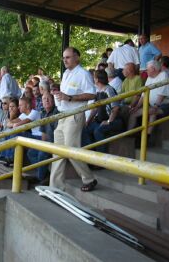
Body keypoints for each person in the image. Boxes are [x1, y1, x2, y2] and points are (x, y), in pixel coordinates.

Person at [51, 47, 97, 192]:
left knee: (71, 149)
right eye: (64, 57)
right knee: (57, 152)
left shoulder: (83, 74)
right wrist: (59, 95)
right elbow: (66, 94)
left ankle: (89, 178)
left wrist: (70, 97)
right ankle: (55, 186)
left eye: (68, 57)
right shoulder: (65, 73)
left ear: (77, 57)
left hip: (75, 114)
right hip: (63, 115)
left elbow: (92, 95)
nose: (65, 60)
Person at [127, 60, 169, 137]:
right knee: (133, 112)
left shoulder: (164, 75)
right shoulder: (150, 77)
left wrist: (155, 106)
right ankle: (129, 134)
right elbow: (144, 95)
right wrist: (136, 107)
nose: (145, 71)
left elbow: (162, 94)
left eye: (147, 69)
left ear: (153, 69)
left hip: (168, 106)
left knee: (152, 111)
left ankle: (147, 136)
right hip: (155, 105)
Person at [82, 70, 123, 153]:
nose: (93, 79)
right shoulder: (98, 91)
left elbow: (115, 108)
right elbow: (95, 108)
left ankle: (102, 157)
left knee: (98, 131)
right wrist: (88, 121)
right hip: (101, 120)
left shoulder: (109, 90)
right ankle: (91, 155)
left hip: (114, 121)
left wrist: (108, 121)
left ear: (97, 79)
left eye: (94, 77)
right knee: (85, 129)